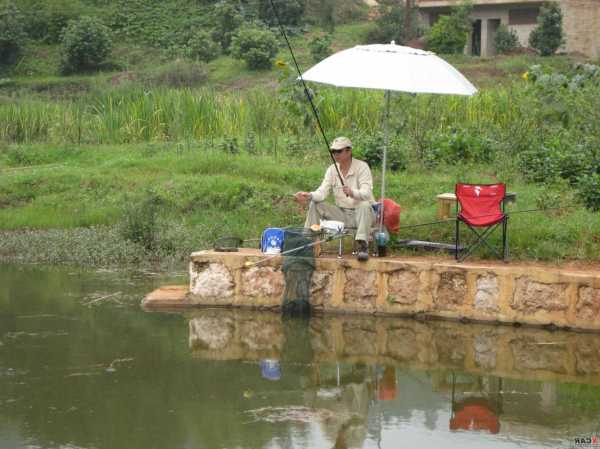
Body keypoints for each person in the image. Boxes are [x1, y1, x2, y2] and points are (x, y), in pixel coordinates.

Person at [294, 136, 376, 261]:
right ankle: (308, 242)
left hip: (364, 215)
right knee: (315, 204)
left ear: (348, 151)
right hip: (342, 214)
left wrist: (352, 192)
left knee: (364, 204)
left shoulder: (362, 167)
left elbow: (367, 193)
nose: (335, 154)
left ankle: (363, 245)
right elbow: (322, 192)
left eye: (339, 151)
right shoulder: (332, 170)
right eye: (333, 151)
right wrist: (309, 195)